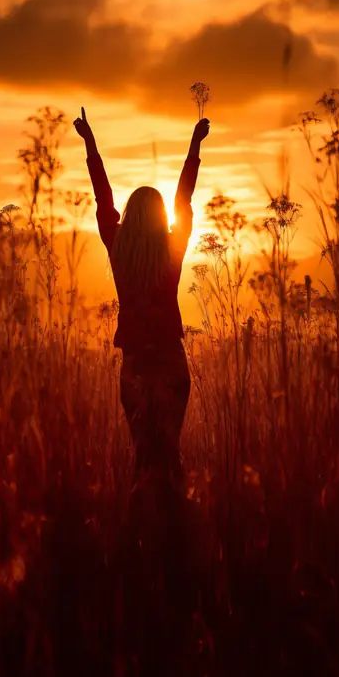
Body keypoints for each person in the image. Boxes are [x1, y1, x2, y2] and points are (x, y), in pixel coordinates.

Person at [73, 107, 210, 493]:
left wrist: (91, 144)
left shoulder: (119, 246)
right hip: (170, 360)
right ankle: (178, 524)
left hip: (135, 363)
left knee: (143, 457)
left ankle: (139, 530)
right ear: (160, 215)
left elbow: (103, 198)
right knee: (170, 453)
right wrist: (194, 146)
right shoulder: (172, 247)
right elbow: (184, 199)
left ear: (131, 216)